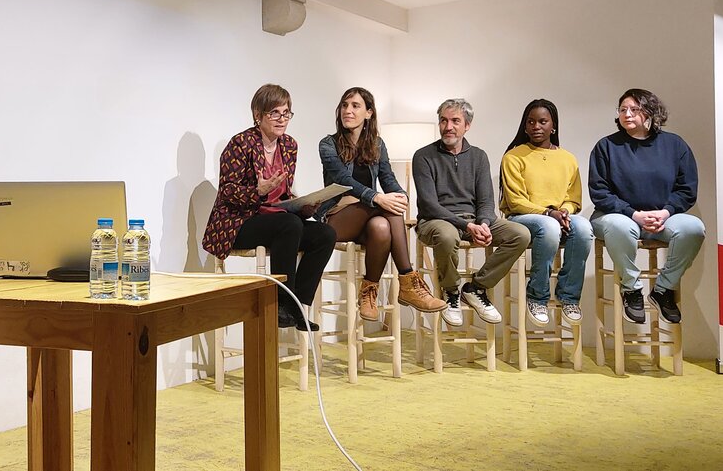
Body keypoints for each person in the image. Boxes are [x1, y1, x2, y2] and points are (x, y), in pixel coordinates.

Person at [203, 84, 338, 331]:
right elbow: (227, 192)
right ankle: (281, 303)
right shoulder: (240, 143)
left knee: (324, 233)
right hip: (238, 223)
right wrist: (258, 191)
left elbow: (282, 194)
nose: (282, 119)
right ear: (258, 114)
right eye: (274, 113)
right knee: (289, 224)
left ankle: (297, 305)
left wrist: (303, 206)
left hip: (279, 222)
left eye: (286, 113)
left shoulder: (289, 145)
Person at [317, 88, 447, 322]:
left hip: (368, 216)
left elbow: (387, 178)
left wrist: (400, 195)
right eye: (345, 105)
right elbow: (343, 180)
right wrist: (378, 198)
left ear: (369, 113)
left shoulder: (377, 144)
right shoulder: (328, 144)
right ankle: (408, 279)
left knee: (382, 227)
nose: (348, 110)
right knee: (387, 207)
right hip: (338, 216)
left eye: (355, 106)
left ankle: (369, 291)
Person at [589, 88, 704, 324]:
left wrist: (666, 212)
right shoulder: (606, 146)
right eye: (623, 109)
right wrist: (634, 214)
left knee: (693, 228)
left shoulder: (675, 145)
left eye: (634, 109)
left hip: (663, 217)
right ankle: (631, 289)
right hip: (618, 216)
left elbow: (686, 190)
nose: (627, 114)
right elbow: (600, 192)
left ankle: (663, 289)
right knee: (619, 226)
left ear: (650, 112)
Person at [413, 99, 530, 326]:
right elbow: (429, 204)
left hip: (473, 221)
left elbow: (486, 202)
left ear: (467, 125)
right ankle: (451, 291)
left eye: (455, 121)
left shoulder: (479, 156)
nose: (448, 127)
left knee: (520, 234)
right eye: (443, 121)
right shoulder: (423, 156)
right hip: (435, 221)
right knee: (447, 235)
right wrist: (467, 226)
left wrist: (483, 224)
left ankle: (476, 288)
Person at [499, 99, 593, 327]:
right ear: (525, 126)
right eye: (530, 122)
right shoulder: (513, 156)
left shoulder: (568, 158)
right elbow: (516, 201)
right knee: (549, 226)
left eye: (542, 121)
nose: (536, 127)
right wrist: (549, 214)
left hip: (557, 216)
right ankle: (537, 296)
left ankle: (569, 297)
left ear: (553, 126)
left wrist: (564, 212)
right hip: (523, 217)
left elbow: (573, 199)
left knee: (583, 228)